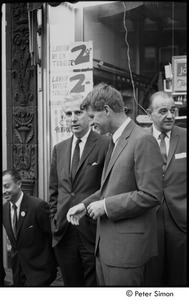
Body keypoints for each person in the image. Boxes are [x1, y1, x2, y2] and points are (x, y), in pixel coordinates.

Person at [67, 83, 163, 286]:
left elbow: (152, 195)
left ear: (108, 111)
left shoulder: (142, 140)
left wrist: (106, 206)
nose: (91, 123)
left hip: (127, 253)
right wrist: (84, 205)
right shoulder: (114, 140)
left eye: (92, 117)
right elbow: (111, 187)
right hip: (108, 250)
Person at [48, 93, 110, 286]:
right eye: (68, 114)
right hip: (64, 233)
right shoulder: (59, 149)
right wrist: (54, 222)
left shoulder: (105, 144)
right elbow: (54, 191)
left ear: (88, 114)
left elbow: (108, 187)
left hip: (92, 231)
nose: (73, 118)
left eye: (78, 112)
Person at [144, 91, 187, 286]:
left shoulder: (185, 137)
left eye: (173, 110)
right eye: (163, 111)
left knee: (179, 278)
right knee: (151, 278)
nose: (170, 115)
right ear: (149, 113)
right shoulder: (139, 140)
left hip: (181, 221)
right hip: (148, 220)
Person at [2, 169, 57, 287]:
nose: (3, 191)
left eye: (6, 186)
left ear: (19, 184)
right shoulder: (4, 209)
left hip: (40, 274)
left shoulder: (38, 206)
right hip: (18, 275)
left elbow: (52, 238)